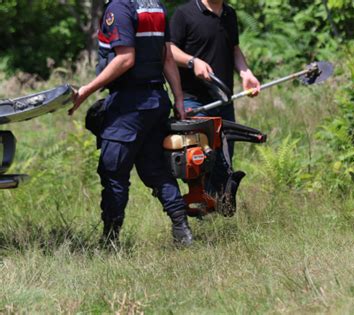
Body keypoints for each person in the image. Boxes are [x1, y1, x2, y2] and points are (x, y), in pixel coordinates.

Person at [69, 0, 193, 246]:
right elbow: (166, 56)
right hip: (156, 100)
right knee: (155, 169)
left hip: (129, 104)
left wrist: (86, 91)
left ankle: (110, 240)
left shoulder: (119, 8)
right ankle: (182, 230)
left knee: (113, 170)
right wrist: (179, 98)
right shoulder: (155, 5)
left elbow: (125, 59)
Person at [170, 0, 260, 196]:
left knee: (223, 161)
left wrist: (246, 73)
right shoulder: (184, 14)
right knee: (199, 160)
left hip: (223, 100)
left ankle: (216, 212)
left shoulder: (229, 14)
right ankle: (198, 208)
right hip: (193, 100)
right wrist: (192, 62)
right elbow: (169, 51)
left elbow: (234, 49)